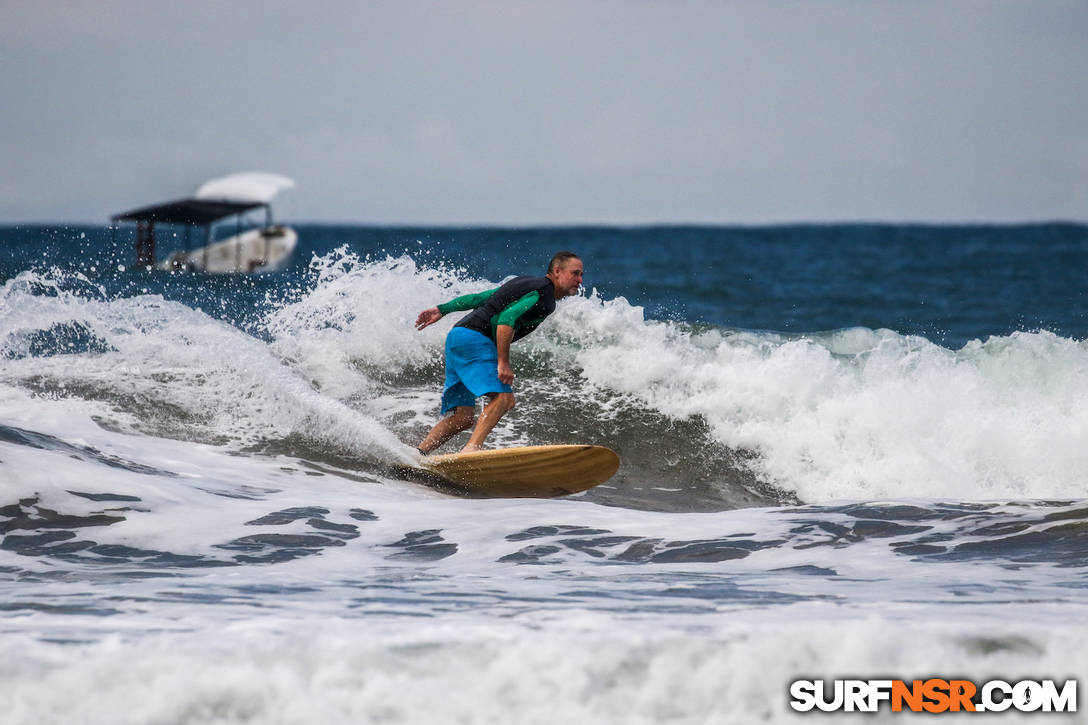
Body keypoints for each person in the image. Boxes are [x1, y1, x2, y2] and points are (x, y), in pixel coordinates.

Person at [414, 251, 584, 454]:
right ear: (557, 271)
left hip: (457, 337)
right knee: (504, 399)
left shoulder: (526, 283)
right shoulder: (544, 296)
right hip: (475, 340)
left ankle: (419, 454)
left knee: (463, 418)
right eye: (575, 274)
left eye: (581, 275)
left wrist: (443, 309)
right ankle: (472, 449)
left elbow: (481, 298)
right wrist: (503, 363)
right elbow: (506, 320)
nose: (580, 280)